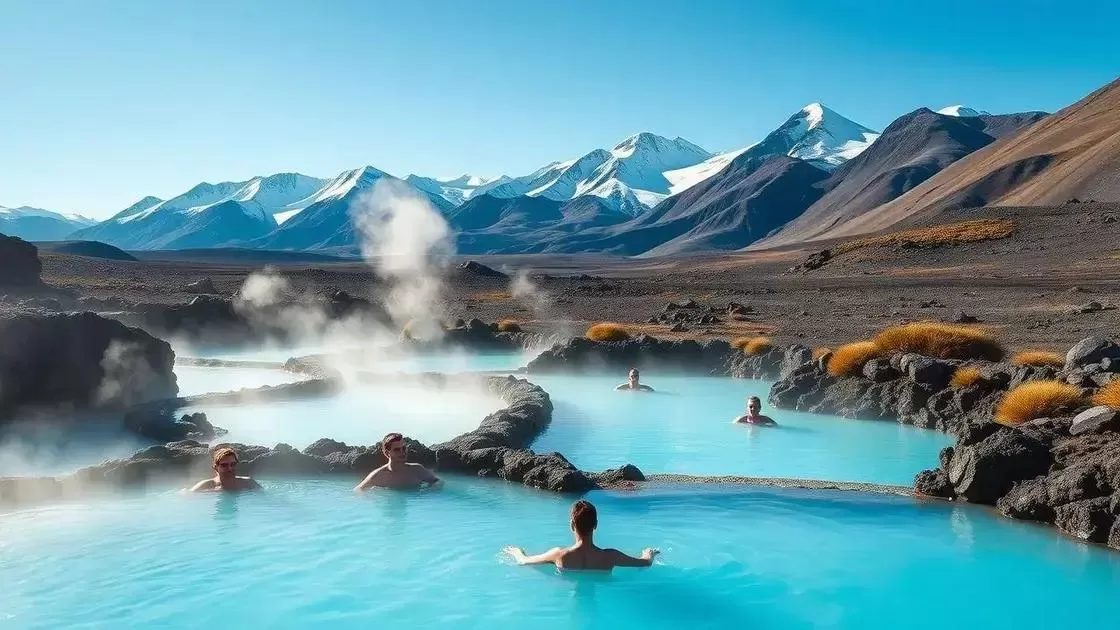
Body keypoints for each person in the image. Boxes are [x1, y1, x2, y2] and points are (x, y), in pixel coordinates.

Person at [503, 500, 659, 571]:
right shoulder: (611, 556)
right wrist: (648, 554)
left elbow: (524, 562)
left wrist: (518, 552)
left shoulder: (559, 555)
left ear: (572, 525)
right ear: (596, 525)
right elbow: (644, 563)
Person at [355, 432, 442, 491]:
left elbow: (438, 482)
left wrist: (427, 493)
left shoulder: (417, 470)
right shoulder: (378, 475)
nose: (402, 452)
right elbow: (358, 491)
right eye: (397, 450)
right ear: (387, 453)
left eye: (404, 448)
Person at [189, 447, 263, 492]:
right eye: (224, 465)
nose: (230, 468)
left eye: (233, 464)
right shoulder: (206, 485)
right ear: (215, 467)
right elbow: (185, 496)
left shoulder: (248, 483)